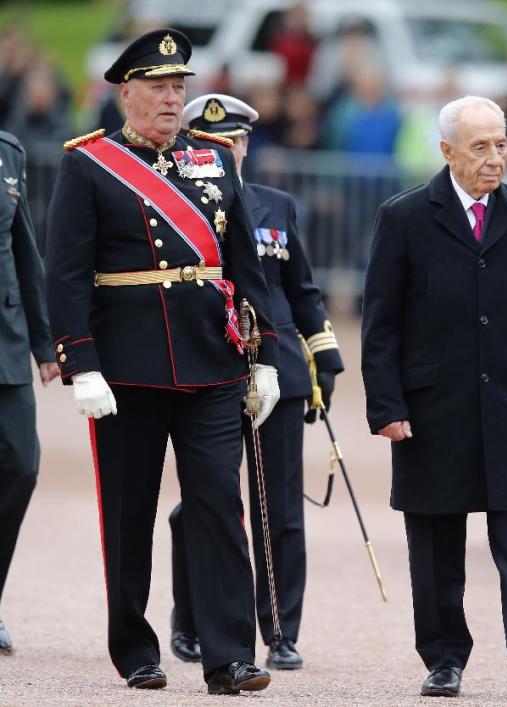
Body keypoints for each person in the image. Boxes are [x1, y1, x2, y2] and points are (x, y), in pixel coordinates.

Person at [44, 29, 280, 695]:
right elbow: (66, 273)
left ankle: (230, 653)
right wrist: (80, 361)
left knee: (217, 506)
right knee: (130, 513)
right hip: (127, 367)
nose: (173, 98)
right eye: (159, 87)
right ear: (127, 92)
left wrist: (262, 356)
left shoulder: (213, 160)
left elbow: (245, 266)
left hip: (211, 359)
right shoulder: (90, 164)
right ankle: (135, 647)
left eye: (180, 86)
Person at [361, 95, 507, 700]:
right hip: (432, 408)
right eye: (480, 146)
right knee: (434, 545)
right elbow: (382, 323)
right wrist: (387, 406)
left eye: (501, 144)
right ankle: (444, 658)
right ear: (448, 151)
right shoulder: (403, 217)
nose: (495, 158)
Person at [167, 93, 344, 671]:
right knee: (205, 501)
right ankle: (191, 619)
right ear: (193, 145)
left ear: (247, 144)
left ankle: (281, 630)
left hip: (280, 372)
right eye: (215, 141)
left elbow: (303, 291)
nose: (229, 150)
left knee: (280, 509)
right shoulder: (177, 208)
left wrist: (324, 358)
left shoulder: (277, 205)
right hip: (207, 367)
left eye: (236, 140)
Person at [0, 129, 58, 655]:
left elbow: (26, 253)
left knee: (22, 465)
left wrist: (45, 344)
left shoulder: (8, 154)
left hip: (7, 343)